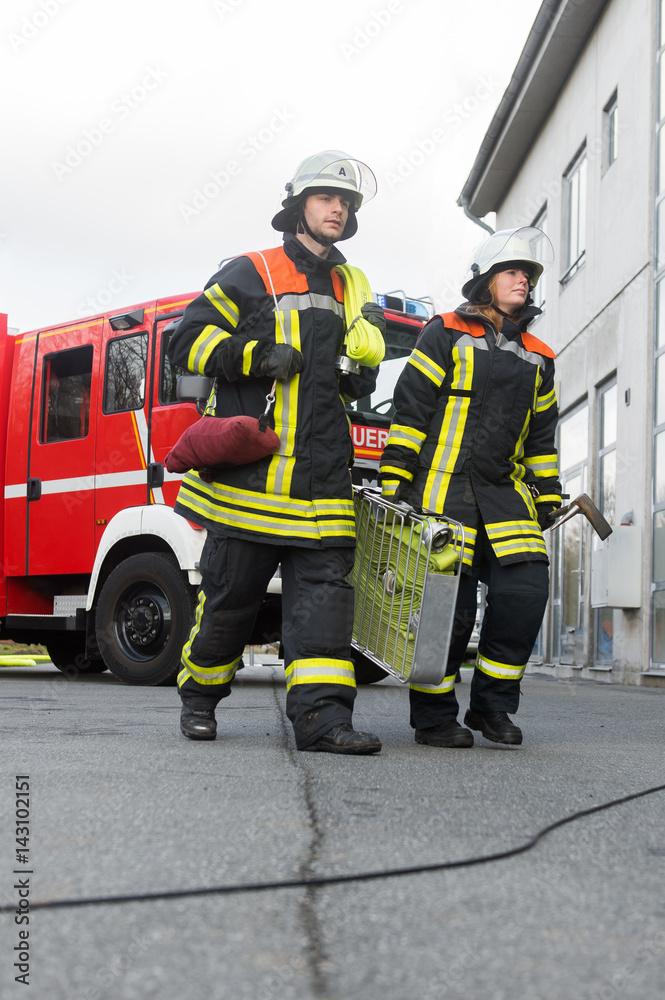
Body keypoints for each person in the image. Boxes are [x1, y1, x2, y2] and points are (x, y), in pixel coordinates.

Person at [168, 150, 385, 754]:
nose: (337, 208)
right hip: (251, 488)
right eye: (325, 198)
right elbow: (186, 343)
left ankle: (323, 722)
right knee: (230, 607)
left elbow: (346, 374)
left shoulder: (348, 285)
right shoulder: (252, 270)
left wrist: (356, 377)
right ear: (298, 206)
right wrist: (255, 356)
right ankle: (199, 698)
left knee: (325, 613)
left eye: (345, 202)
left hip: (323, 486)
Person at [379, 227, 561, 747]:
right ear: (485, 281)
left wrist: (547, 492)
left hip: (505, 498)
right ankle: (434, 718)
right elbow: (411, 410)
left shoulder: (539, 356)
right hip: (440, 495)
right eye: (512, 272)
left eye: (528, 275)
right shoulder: (444, 331)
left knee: (526, 591)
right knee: (446, 610)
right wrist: (395, 479)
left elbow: (541, 439)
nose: (523, 280)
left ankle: (493, 708)